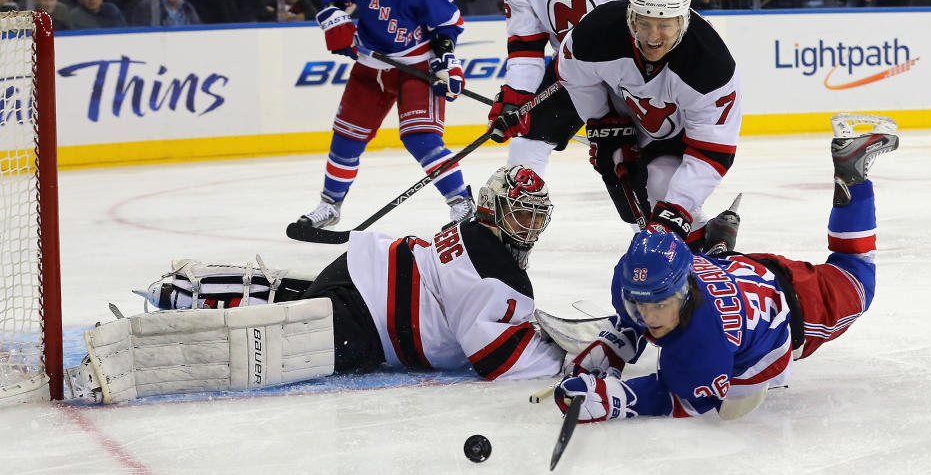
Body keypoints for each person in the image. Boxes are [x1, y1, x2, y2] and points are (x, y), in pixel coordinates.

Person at [63, 165, 568, 404]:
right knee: (259, 348)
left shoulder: (471, 233)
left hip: (356, 272)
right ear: (493, 209)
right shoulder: (499, 270)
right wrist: (571, 357)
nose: (530, 227)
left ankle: (189, 291)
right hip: (367, 324)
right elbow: (497, 362)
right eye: (521, 215)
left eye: (535, 217)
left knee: (291, 308)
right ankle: (122, 357)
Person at [553, 113, 900, 422]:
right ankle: (717, 247)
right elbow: (647, 294)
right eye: (639, 305)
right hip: (746, 270)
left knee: (856, 275)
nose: (650, 316)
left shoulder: (704, 341)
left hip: (804, 306)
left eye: (660, 305)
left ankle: (852, 171)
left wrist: (615, 399)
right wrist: (620, 340)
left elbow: (681, 399)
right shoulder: (634, 275)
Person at [298, 0, 471, 230]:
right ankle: (329, 205)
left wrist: (447, 62)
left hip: (417, 63)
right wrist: (334, 18)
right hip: (371, 64)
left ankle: (461, 202)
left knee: (422, 139)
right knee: (346, 137)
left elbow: (446, 26)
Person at [488, 0, 673, 178]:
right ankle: (519, 220)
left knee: (640, 156)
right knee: (526, 146)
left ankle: (684, 220)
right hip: (573, 68)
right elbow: (526, 49)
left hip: (629, 63)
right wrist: (515, 98)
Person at [555, 0, 742, 246]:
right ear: (631, 18)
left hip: (687, 132)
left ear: (682, 21)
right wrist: (602, 121)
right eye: (644, 24)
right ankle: (705, 236)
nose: (653, 37)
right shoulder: (596, 32)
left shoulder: (711, 65)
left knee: (662, 188)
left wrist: (675, 212)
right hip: (629, 115)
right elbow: (575, 75)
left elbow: (712, 153)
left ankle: (695, 249)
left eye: (664, 25)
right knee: (619, 174)